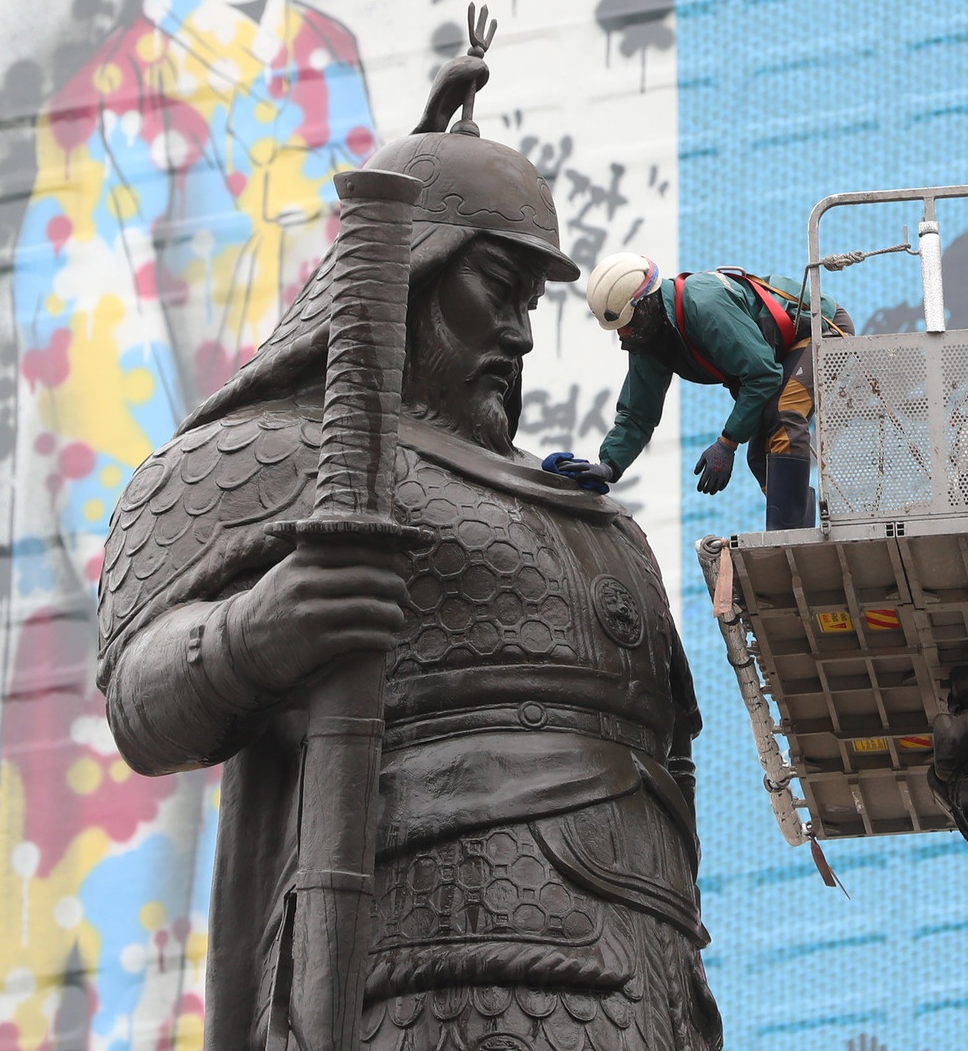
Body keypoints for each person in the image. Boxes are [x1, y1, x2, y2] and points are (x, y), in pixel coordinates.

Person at [98, 53, 723, 1051]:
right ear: (413, 270)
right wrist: (260, 631)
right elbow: (143, 700)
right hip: (429, 968)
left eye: (531, 302)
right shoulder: (277, 452)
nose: (521, 335)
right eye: (497, 287)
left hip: (643, 986)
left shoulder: (584, 516)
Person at [2, 0, 376, 1048]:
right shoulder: (101, 112)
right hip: (135, 619)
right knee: (112, 994)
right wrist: (203, 604)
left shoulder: (331, 67)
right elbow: (81, 373)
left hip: (292, 615)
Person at [548, 254, 853, 529]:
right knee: (760, 456)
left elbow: (762, 375)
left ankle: (792, 538)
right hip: (780, 354)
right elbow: (638, 414)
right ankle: (795, 531)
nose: (624, 335)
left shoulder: (704, 305)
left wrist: (727, 442)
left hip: (821, 328)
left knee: (782, 416)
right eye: (619, 329)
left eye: (627, 325)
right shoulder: (650, 336)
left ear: (647, 302)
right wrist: (608, 465)